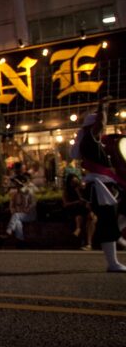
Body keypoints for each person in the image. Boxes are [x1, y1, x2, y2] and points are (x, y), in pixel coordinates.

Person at [71, 97, 126, 272]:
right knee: (108, 222)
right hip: (100, 187)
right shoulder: (90, 139)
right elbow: (101, 123)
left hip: (105, 184)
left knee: (121, 211)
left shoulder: (93, 141)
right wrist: (102, 107)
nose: (103, 126)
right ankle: (112, 263)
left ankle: (118, 236)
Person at [61, 174, 93, 250]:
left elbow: (84, 199)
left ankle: (79, 229)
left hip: (83, 209)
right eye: (72, 182)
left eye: (75, 181)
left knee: (85, 217)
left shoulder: (81, 189)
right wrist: (76, 202)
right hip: (73, 209)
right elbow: (65, 204)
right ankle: (78, 229)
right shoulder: (67, 191)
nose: (74, 184)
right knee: (79, 216)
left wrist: (78, 190)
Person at [2, 181, 34, 247]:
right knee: (18, 222)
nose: (19, 188)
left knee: (16, 216)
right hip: (17, 215)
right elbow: (11, 206)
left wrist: (25, 210)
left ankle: (9, 231)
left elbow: (32, 205)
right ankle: (20, 240)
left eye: (21, 186)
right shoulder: (15, 195)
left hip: (28, 215)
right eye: (18, 187)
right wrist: (14, 210)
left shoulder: (29, 194)